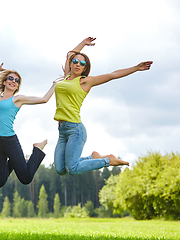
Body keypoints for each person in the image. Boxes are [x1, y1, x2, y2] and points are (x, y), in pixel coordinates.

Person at [54, 37, 153, 175]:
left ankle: (108, 161)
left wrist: (136, 68)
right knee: (60, 169)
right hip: (62, 130)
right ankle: (93, 157)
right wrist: (83, 43)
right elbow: (70, 54)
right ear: (70, 64)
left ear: (84, 68)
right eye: (75, 61)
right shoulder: (65, 78)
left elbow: (112, 75)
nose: (78, 64)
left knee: (73, 169)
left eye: (82, 63)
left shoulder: (85, 82)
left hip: (75, 129)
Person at [0, 63, 57, 188]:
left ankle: (38, 149)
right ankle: (14, 163)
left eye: (17, 80)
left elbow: (44, 99)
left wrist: (54, 85)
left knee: (26, 178)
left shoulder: (18, 99)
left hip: (10, 141)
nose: (13, 81)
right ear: (4, 82)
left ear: (17, 86)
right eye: (11, 78)